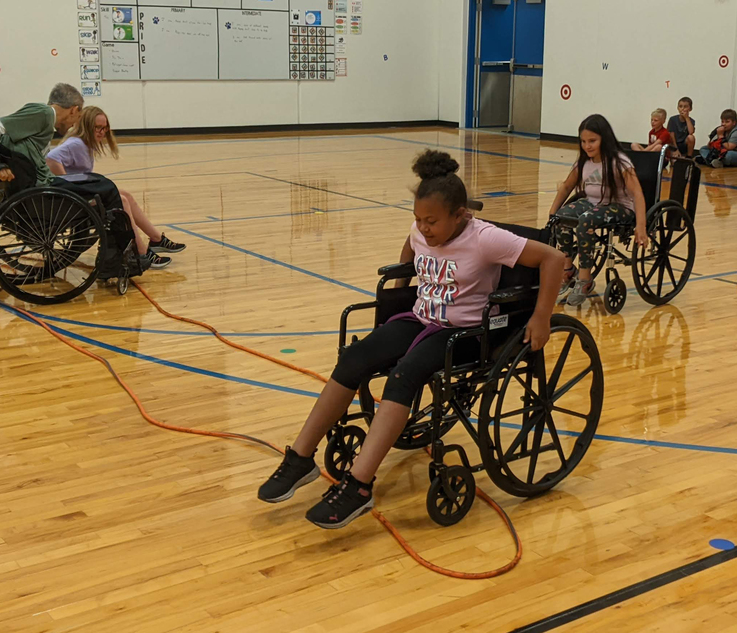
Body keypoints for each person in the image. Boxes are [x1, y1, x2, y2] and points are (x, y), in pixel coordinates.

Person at [257, 150, 564, 529]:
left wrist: (541, 317)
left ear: (460, 215)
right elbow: (411, 245)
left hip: (464, 333)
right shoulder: (420, 231)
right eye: (418, 219)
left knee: (403, 377)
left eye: (432, 221)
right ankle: (300, 458)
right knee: (353, 358)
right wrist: (401, 286)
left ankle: (359, 486)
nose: (423, 228)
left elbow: (553, 259)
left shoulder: (486, 238)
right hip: (421, 319)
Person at [0, 83, 124, 237]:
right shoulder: (45, 113)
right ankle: (120, 242)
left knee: (96, 183)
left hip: (36, 183)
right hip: (41, 186)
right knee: (107, 187)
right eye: (78, 117)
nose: (74, 124)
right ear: (74, 110)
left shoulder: (44, 123)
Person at [47, 106, 185, 268]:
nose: (102, 132)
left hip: (81, 194)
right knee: (122, 201)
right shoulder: (76, 144)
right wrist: (67, 183)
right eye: (97, 127)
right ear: (87, 126)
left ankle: (156, 239)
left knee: (126, 196)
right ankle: (141, 252)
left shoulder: (85, 144)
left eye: (104, 128)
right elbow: (51, 159)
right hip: (74, 199)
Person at [550, 114, 648, 307]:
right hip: (592, 203)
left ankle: (585, 279)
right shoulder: (583, 161)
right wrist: (552, 213)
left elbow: (637, 193)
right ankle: (568, 270)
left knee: (586, 220)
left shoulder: (619, 162)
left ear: (604, 138)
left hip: (620, 207)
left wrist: (641, 226)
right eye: (583, 141)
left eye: (592, 141)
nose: (587, 146)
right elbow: (567, 186)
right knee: (561, 217)